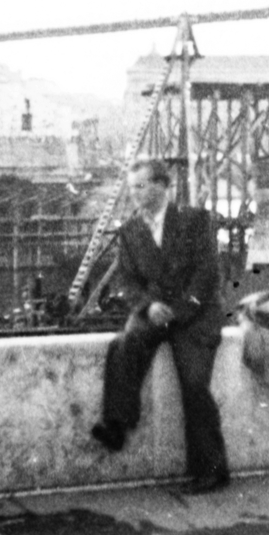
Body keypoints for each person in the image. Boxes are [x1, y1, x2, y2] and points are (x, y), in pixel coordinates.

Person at [90, 159, 230, 494]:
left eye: (140, 186)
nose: (134, 193)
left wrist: (180, 310)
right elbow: (125, 279)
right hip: (155, 309)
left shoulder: (196, 220)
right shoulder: (131, 230)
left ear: (161, 186)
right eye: (132, 187)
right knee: (125, 345)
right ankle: (117, 424)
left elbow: (207, 273)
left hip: (195, 315)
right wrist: (148, 305)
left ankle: (212, 470)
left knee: (195, 384)